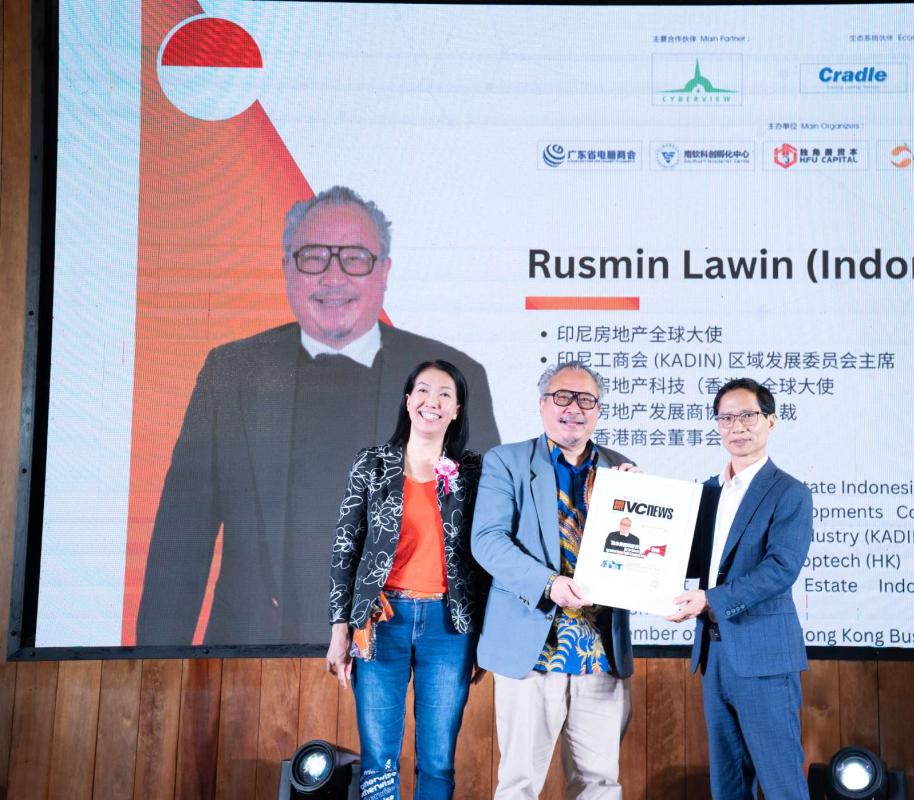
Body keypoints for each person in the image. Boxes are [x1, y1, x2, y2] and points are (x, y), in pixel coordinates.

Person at [137, 186, 500, 646]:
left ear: (385, 271)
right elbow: (182, 535)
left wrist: (487, 640)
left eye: (355, 258)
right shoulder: (231, 370)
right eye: (313, 256)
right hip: (250, 648)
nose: (333, 277)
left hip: (407, 637)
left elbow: (486, 528)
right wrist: (154, 660)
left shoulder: (454, 376)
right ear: (286, 267)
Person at [471, 362, 636, 800]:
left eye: (586, 400)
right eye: (563, 397)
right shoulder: (506, 461)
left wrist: (637, 502)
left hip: (599, 650)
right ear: (543, 404)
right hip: (532, 646)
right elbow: (487, 541)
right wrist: (549, 583)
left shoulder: (621, 469)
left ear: (598, 410)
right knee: (520, 783)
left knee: (600, 782)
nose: (574, 408)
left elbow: (637, 553)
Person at [326, 360, 485, 800]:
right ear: (408, 400)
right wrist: (339, 629)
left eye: (445, 394)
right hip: (381, 622)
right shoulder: (372, 463)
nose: (432, 401)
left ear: (457, 409)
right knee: (379, 759)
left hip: (449, 627)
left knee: (438, 761)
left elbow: (489, 554)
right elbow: (345, 548)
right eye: (423, 390)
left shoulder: (474, 472)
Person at [667, 378, 813, 800]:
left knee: (782, 784)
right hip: (713, 655)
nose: (737, 426)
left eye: (748, 416)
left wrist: (710, 600)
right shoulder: (707, 492)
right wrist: (635, 491)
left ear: (771, 422)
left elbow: (781, 569)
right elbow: (683, 558)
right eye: (727, 418)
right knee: (728, 785)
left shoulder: (789, 492)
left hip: (763, 657)